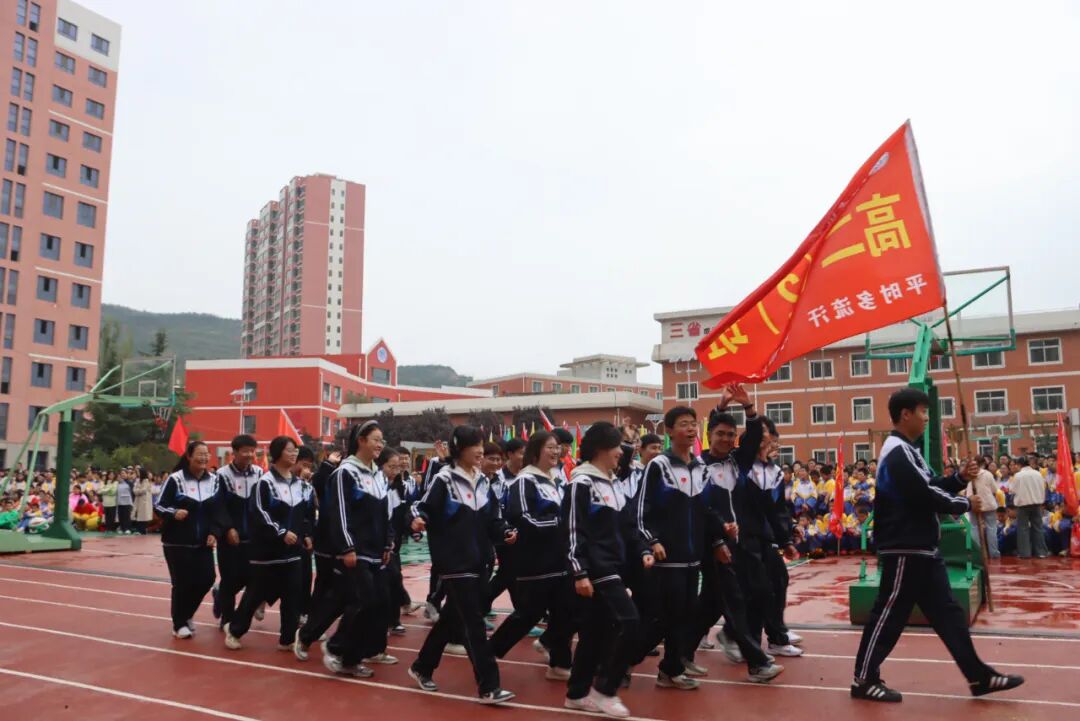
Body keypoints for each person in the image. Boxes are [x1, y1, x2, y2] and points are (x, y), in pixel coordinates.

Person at [851, 387, 1024, 702]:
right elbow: (923, 496)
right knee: (889, 613)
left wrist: (958, 478)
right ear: (906, 414)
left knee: (949, 614)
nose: (927, 418)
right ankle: (863, 679)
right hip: (905, 546)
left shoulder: (909, 451)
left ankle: (978, 676)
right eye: (923, 412)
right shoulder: (896, 451)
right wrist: (963, 504)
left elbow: (932, 485)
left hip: (923, 549)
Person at [408, 425, 517, 704]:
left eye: (481, 445)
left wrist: (505, 532)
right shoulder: (445, 480)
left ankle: (422, 666)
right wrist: (418, 521)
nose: (481, 450)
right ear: (459, 449)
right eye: (474, 446)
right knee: (473, 623)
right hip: (454, 562)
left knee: (451, 619)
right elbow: (422, 507)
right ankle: (489, 686)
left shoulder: (483, 481)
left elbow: (494, 519)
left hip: (480, 561)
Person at [689, 388, 784, 684]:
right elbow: (701, 507)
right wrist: (718, 535)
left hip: (740, 543)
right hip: (713, 545)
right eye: (720, 434)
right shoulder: (699, 467)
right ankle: (756, 662)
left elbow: (754, 438)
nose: (727, 440)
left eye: (731, 435)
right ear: (710, 435)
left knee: (718, 604)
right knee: (733, 600)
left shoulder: (736, 462)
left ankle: (677, 657)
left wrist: (748, 407)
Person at [564, 421, 649, 718]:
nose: (621, 453)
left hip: (615, 566)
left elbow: (628, 527)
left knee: (595, 633)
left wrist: (644, 550)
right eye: (617, 447)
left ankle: (576, 693)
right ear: (601, 448)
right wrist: (580, 572)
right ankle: (605, 690)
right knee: (630, 622)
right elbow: (574, 530)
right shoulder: (581, 484)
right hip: (597, 568)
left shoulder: (612, 483)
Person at [298, 421, 394, 677]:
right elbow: (339, 512)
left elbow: (386, 514)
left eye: (381, 440)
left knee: (374, 603)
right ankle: (337, 647)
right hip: (355, 550)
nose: (380, 445)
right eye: (376, 439)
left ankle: (350, 656)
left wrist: (387, 543)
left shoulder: (378, 475)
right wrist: (347, 546)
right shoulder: (345, 473)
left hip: (376, 551)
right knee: (361, 601)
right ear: (361, 440)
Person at [489, 431, 575, 679]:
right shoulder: (524, 482)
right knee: (528, 615)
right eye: (550, 447)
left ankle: (559, 664)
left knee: (566, 611)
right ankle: (488, 652)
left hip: (559, 558)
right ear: (535, 451)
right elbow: (523, 518)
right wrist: (560, 525)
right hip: (535, 561)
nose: (556, 451)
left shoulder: (554, 482)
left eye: (557, 447)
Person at [633, 405, 707, 690]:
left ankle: (670, 670)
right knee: (663, 620)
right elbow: (641, 510)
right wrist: (652, 540)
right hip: (667, 558)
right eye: (684, 424)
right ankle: (623, 661)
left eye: (693, 424)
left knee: (685, 616)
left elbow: (705, 510)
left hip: (692, 558)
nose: (691, 429)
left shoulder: (700, 467)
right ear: (669, 431)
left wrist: (721, 535)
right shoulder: (659, 466)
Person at [226, 436, 314, 652]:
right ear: (277, 454)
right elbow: (259, 513)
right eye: (289, 450)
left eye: (295, 451)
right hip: (266, 552)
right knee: (256, 593)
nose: (294, 454)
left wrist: (308, 534)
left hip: (292, 552)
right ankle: (235, 630)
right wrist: (281, 532)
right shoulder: (265, 483)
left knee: (293, 595)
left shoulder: (301, 485)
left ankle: (286, 638)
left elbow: (307, 515)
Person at [155, 441, 228, 639]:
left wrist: (215, 532)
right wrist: (174, 512)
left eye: (207, 454)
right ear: (189, 456)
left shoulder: (214, 480)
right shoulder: (175, 479)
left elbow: (219, 511)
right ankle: (179, 624)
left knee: (207, 579)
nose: (204, 458)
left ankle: (186, 614)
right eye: (200, 454)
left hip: (203, 543)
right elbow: (159, 506)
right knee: (182, 583)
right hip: (177, 543)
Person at [213, 435, 265, 629]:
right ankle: (227, 619)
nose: (250, 455)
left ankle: (221, 595)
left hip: (253, 539)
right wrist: (228, 528)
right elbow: (219, 506)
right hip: (230, 538)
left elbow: (262, 504)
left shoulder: (259, 474)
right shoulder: (222, 475)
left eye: (253, 451)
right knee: (230, 578)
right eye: (245, 451)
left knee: (253, 579)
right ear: (234, 452)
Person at [1010, 456, 1050, 559]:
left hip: (1023, 505)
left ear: (1019, 465)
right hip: (1037, 504)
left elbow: (1012, 490)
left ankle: (1025, 553)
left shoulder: (1018, 475)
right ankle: (1041, 552)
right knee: (1038, 528)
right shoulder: (1038, 474)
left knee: (1023, 529)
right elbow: (1043, 487)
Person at [965, 457, 1000, 559]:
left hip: (973, 502)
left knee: (974, 528)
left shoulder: (968, 473)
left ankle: (977, 553)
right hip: (987, 503)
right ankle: (993, 553)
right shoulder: (987, 474)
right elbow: (995, 489)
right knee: (991, 528)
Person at [132, 470, 154, 534]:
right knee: (138, 516)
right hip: (138, 501)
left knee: (144, 517)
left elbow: (144, 490)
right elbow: (134, 490)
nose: (138, 473)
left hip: (144, 502)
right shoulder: (137, 481)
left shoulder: (146, 481)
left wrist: (138, 491)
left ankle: (142, 530)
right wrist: (138, 491)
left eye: (139, 472)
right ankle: (139, 530)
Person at [116, 469, 135, 534]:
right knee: (121, 516)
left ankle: (127, 528)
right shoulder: (118, 483)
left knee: (127, 516)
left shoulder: (130, 483)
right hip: (120, 502)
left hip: (127, 502)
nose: (123, 474)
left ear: (127, 474)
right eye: (121, 473)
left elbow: (132, 493)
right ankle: (122, 528)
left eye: (124, 473)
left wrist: (132, 502)